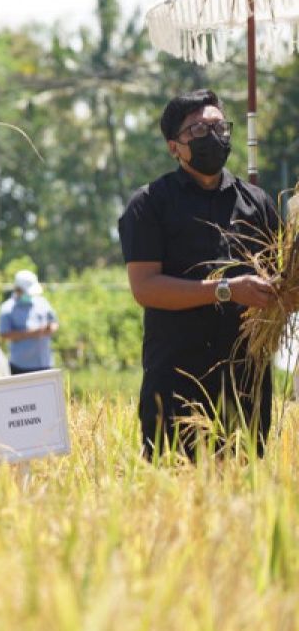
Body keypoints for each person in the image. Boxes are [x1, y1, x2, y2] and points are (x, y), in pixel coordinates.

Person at [118, 89, 279, 459]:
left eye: (218, 125)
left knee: (245, 499)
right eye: (198, 130)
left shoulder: (257, 202)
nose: (213, 135)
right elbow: (145, 288)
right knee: (175, 503)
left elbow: (280, 282)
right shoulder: (149, 204)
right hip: (176, 382)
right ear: (174, 147)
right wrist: (226, 289)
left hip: (246, 384)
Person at [0, 270, 58, 374]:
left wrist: (50, 329)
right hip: (21, 367)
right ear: (18, 290)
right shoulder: (7, 309)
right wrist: (31, 333)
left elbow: (54, 322)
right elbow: (4, 334)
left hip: (45, 363)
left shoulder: (42, 302)